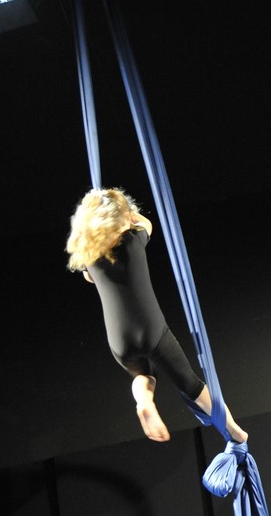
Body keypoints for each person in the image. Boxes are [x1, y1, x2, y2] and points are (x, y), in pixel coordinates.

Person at [66, 188, 247, 444]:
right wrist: (129, 214)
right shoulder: (132, 241)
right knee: (190, 384)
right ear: (122, 219)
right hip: (150, 330)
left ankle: (144, 402)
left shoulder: (90, 259)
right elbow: (146, 224)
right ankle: (234, 431)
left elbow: (89, 278)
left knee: (143, 375)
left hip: (119, 342)